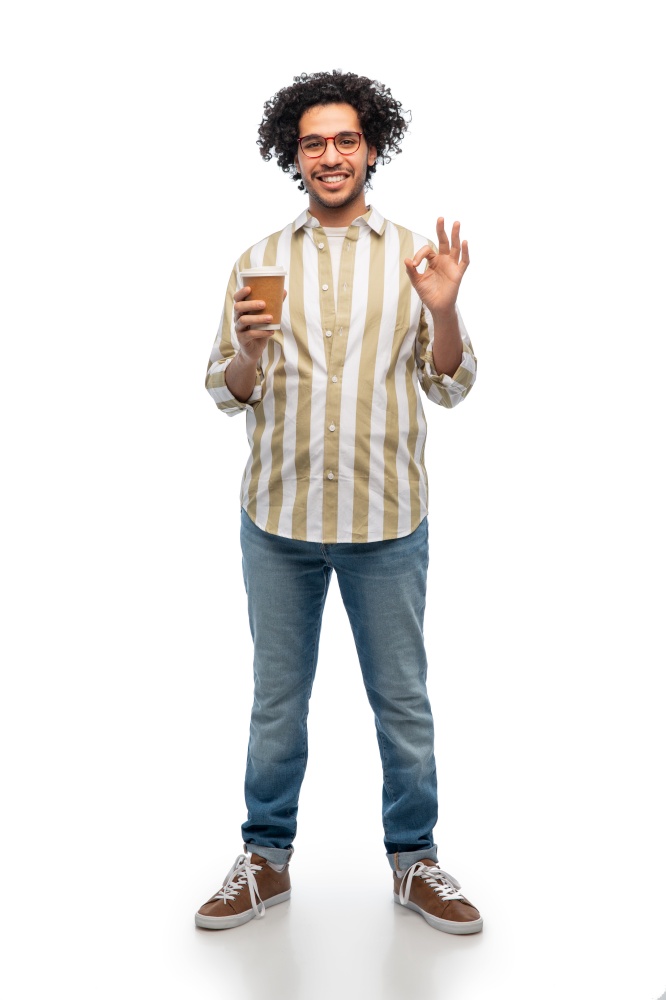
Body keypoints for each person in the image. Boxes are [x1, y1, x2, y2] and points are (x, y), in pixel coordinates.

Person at [196, 70, 482, 935]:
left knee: (402, 698)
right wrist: (245, 351)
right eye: (314, 142)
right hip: (276, 522)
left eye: (346, 140)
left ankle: (415, 861)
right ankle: (266, 859)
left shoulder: (412, 260)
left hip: (385, 521)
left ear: (371, 148)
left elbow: (453, 385)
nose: (331, 156)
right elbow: (225, 390)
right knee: (277, 698)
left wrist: (445, 311)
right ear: (295, 153)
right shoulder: (258, 260)